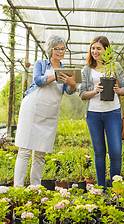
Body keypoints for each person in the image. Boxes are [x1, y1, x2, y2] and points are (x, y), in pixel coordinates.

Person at [14, 35, 76, 187]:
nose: (60, 52)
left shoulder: (66, 70)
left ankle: (35, 188)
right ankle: (18, 189)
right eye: (57, 49)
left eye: (62, 49)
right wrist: (55, 75)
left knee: (40, 153)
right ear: (50, 50)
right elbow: (38, 81)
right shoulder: (41, 64)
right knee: (25, 151)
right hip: (33, 109)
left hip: (50, 113)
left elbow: (68, 91)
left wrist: (72, 84)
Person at [79, 36, 124, 191]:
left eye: (98, 48)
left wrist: (118, 90)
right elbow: (82, 94)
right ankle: (101, 190)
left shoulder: (115, 67)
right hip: (93, 114)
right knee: (99, 152)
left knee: (116, 152)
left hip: (113, 112)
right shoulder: (87, 69)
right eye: (93, 48)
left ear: (106, 50)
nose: (95, 51)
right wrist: (95, 91)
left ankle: (115, 190)